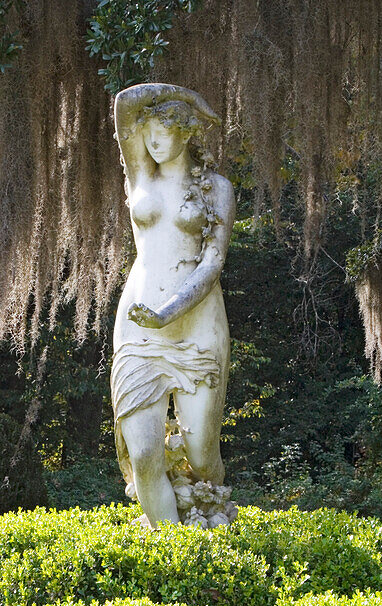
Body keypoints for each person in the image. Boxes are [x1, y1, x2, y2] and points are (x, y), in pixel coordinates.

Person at [111, 83, 235, 529]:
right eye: (148, 134)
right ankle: (171, 552)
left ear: (186, 134)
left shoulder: (217, 189)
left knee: (202, 454)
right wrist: (190, 97)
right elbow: (125, 105)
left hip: (197, 327)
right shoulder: (140, 178)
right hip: (139, 328)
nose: (152, 142)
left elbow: (213, 262)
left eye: (163, 131)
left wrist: (169, 312)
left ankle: (213, 512)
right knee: (145, 454)